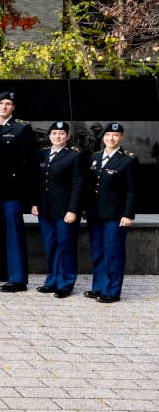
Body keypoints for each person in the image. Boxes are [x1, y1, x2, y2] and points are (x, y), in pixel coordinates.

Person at [0, 91, 36, 292]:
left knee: (13, 235)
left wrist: (28, 195)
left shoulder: (21, 129)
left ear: (13, 108)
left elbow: (30, 163)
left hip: (11, 190)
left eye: (8, 104)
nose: (4, 107)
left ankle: (18, 278)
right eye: (1, 103)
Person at [82, 122, 138, 303]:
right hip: (94, 214)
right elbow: (89, 187)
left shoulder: (128, 160)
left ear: (121, 137)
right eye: (107, 135)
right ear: (102, 137)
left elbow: (132, 190)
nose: (110, 138)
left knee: (113, 252)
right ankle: (98, 287)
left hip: (115, 215)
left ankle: (112, 291)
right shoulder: (94, 157)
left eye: (115, 135)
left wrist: (128, 214)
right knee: (98, 251)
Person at [31, 121, 84, 298]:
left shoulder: (75, 156)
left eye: (61, 133)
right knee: (51, 246)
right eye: (54, 133)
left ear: (67, 136)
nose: (58, 136)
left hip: (65, 210)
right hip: (45, 209)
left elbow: (78, 185)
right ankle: (52, 281)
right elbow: (38, 182)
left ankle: (66, 283)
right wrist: (35, 203)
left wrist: (73, 210)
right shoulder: (42, 154)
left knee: (66, 247)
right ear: (49, 136)